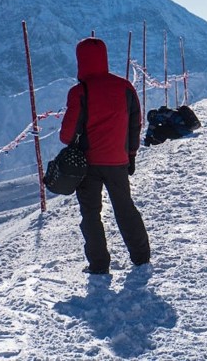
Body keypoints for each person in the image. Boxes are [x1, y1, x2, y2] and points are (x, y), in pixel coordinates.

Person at [60, 37, 150, 275]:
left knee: (91, 214)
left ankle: (99, 265)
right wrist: (130, 154)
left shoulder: (79, 92)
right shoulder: (125, 87)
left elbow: (66, 135)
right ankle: (141, 257)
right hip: (118, 161)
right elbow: (135, 125)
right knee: (125, 209)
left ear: (81, 61)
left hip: (87, 165)